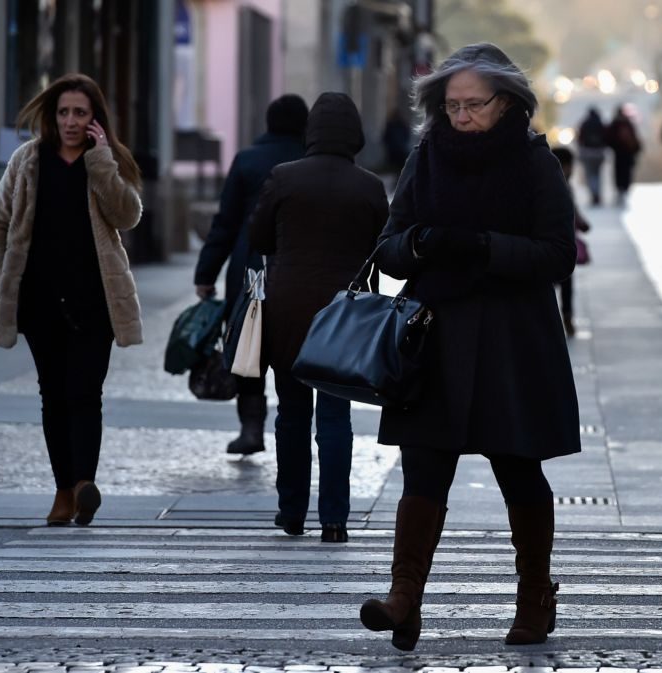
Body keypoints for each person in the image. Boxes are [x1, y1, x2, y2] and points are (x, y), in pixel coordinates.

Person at [358, 43, 580, 649]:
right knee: (423, 467)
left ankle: (536, 597)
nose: (460, 115)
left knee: (518, 468)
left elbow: (560, 254)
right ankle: (405, 598)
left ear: (506, 102)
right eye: (451, 105)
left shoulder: (536, 163)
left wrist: (484, 247)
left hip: (513, 341)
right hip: (436, 339)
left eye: (473, 105)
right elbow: (389, 243)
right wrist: (424, 243)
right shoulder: (425, 157)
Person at [0, 73, 143, 526]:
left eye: (80, 113)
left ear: (95, 119)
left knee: (85, 393)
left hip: (95, 300)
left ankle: (82, 486)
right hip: (39, 300)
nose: (71, 121)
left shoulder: (104, 159)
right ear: (52, 116)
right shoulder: (28, 161)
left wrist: (102, 163)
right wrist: (1, 277)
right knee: (53, 395)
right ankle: (62, 491)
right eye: (64, 112)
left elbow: (128, 215)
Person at [249, 92, 387, 543]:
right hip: (342, 313)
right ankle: (335, 518)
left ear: (311, 132)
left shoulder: (284, 177)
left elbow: (259, 236)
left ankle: (291, 511)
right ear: (355, 133)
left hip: (287, 310)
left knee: (290, 412)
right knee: (335, 416)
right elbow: (383, 250)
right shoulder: (368, 185)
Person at [194, 95, 309, 455]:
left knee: (250, 350)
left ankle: (251, 429)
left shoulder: (247, 160)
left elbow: (225, 223)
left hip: (251, 272)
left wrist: (206, 272)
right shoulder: (311, 161)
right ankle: (295, 428)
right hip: (298, 271)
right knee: (296, 353)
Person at [551, 146, 591, 337]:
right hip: (560, 245)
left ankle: (561, 318)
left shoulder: (552, 182)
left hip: (552, 244)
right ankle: (566, 316)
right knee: (565, 283)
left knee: (555, 284)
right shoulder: (562, 185)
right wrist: (581, 223)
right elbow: (572, 210)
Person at [606, 105, 642, 205]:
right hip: (627, 153)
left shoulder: (615, 124)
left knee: (619, 172)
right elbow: (635, 137)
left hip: (618, 153)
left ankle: (620, 189)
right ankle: (625, 189)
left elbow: (609, 138)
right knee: (626, 172)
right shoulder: (628, 123)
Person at [577, 107, 607, 205]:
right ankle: (597, 194)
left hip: (587, 153)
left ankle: (593, 194)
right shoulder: (600, 124)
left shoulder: (585, 124)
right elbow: (606, 137)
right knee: (598, 174)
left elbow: (580, 138)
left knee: (590, 175)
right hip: (599, 153)